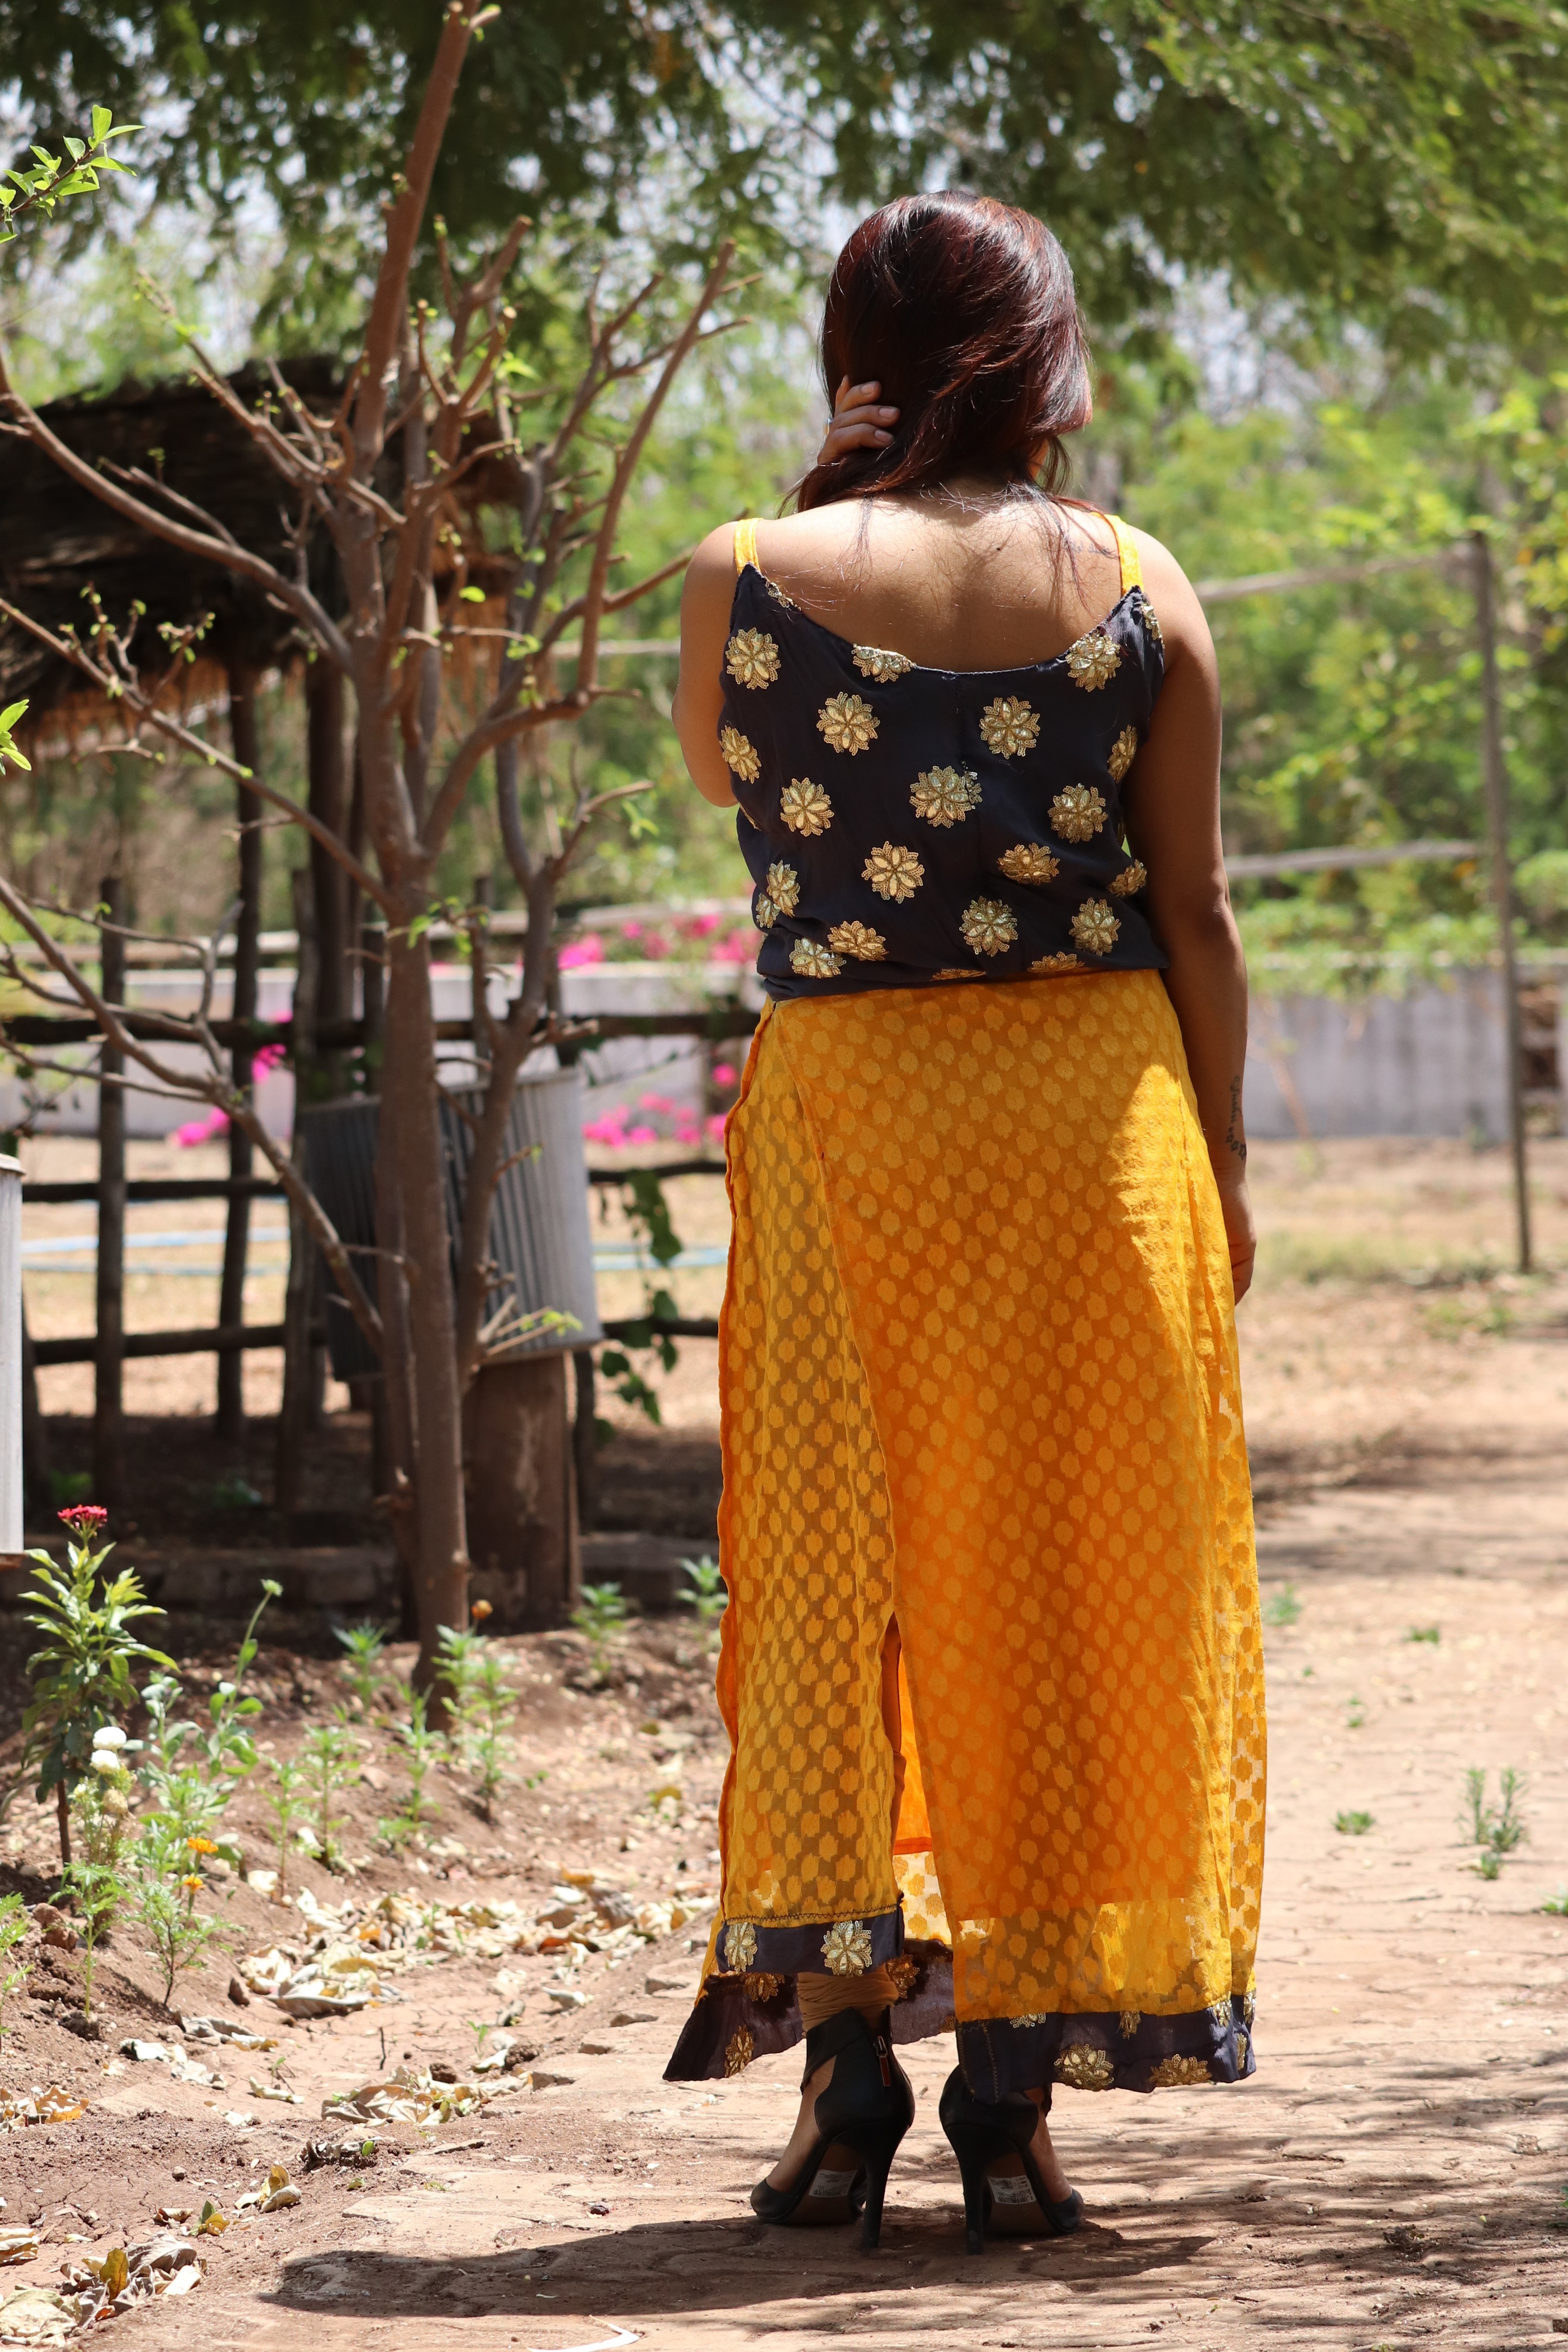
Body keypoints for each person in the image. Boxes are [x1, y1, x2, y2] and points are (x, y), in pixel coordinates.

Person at [666, 191, 1263, 2255]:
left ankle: (844, 2091)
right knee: (1076, 1575)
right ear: (1044, 356)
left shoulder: (744, 578)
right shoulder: (1140, 581)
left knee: (843, 1576)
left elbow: (743, 800)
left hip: (855, 1131)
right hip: (1099, 1127)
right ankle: (1013, 2110)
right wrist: (1232, 1162)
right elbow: (1192, 909)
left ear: (857, 348)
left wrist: (835, 504)